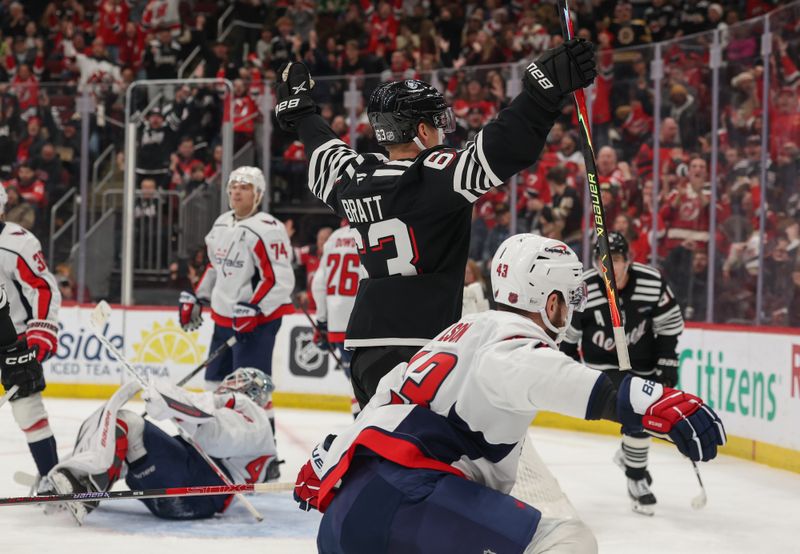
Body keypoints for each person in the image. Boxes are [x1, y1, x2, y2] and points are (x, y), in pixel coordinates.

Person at [292, 234, 726, 554]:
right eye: (570, 298)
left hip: (347, 511)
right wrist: (652, 401)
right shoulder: (514, 341)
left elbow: (387, 401)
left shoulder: (457, 333)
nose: (572, 308)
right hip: (412, 506)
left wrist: (336, 455)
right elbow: (561, 379)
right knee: (570, 541)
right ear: (551, 302)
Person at [275, 39, 598, 407]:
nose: (443, 134)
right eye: (437, 124)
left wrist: (302, 115)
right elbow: (504, 147)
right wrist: (542, 92)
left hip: (364, 346)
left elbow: (323, 150)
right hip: (423, 347)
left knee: (381, 448)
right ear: (422, 131)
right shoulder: (432, 175)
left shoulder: (353, 178)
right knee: (428, 456)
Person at [45, 368, 279, 524]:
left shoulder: (252, 413)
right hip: (188, 496)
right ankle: (80, 480)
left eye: (239, 380)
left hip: (193, 489)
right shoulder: (252, 426)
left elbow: (215, 437)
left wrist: (174, 407)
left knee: (128, 424)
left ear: (253, 391)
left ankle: (88, 491)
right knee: (126, 439)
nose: (231, 382)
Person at [561, 232, 686, 515]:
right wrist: (566, 363)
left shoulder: (652, 282)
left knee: (649, 416)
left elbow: (670, 323)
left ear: (628, 260)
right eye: (603, 260)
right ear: (595, 262)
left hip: (644, 364)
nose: (610, 267)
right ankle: (637, 478)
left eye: (616, 260)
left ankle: (629, 457)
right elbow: (569, 333)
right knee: (638, 411)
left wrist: (668, 360)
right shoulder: (583, 288)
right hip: (603, 367)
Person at [177, 166, 295, 437]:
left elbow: (279, 279)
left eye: (245, 187)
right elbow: (215, 266)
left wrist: (254, 308)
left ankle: (265, 449)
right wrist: (199, 296)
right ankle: (217, 442)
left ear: (258, 194)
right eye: (233, 186)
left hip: (258, 323)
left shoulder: (268, 229)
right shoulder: (221, 223)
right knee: (214, 382)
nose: (236, 191)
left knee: (253, 388)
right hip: (224, 317)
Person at [0, 185, 61, 479]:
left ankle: (52, 479)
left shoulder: (16, 243)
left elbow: (42, 287)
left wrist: (43, 329)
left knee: (28, 412)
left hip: (15, 341)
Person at [310, 222, 363, 417]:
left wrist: (322, 321)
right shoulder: (370, 231)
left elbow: (318, 283)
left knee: (353, 379)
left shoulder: (333, 238)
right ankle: (363, 427)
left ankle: (360, 425)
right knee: (365, 380)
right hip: (363, 319)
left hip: (337, 322)